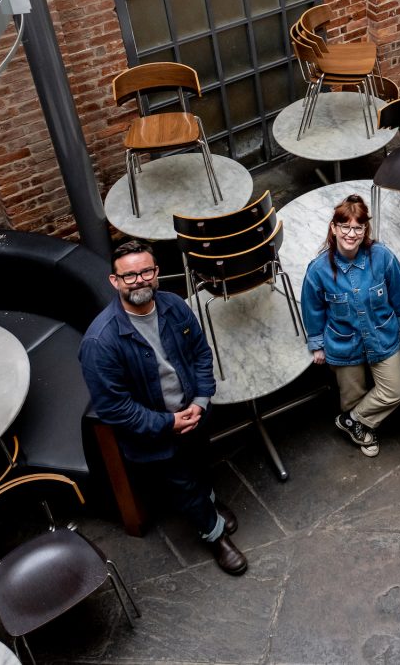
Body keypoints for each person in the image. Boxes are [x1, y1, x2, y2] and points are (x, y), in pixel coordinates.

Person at [79, 239, 247, 575]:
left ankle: (209, 505)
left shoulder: (173, 306)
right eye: (129, 276)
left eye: (146, 271)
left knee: (200, 466)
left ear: (156, 273)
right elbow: (115, 408)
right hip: (155, 436)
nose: (139, 280)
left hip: (194, 415)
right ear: (115, 281)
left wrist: (200, 401)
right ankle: (214, 536)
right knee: (183, 484)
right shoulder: (100, 342)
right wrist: (167, 423)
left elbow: (201, 353)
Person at [300, 193, 400, 457]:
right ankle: (363, 429)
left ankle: (353, 420)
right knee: (352, 395)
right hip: (343, 342)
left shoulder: (382, 256)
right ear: (334, 228)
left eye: (358, 227)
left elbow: (398, 289)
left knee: (396, 390)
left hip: (382, 334)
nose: (351, 234)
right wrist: (317, 344)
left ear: (365, 229)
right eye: (345, 227)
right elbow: (312, 308)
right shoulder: (318, 270)